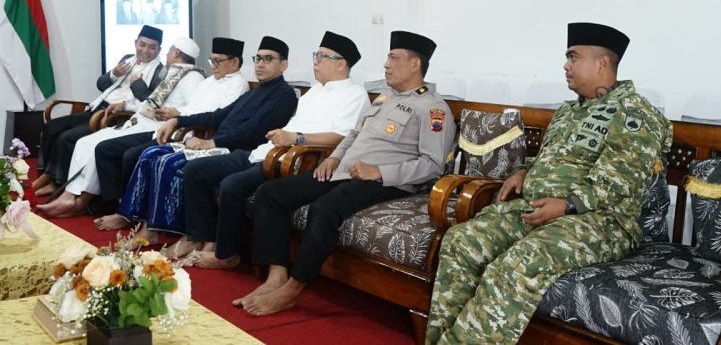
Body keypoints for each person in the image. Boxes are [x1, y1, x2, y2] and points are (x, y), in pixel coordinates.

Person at [425, 23, 673, 344]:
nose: (565, 65)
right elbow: (553, 159)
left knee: (520, 263)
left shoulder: (634, 111)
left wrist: (567, 205)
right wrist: (525, 171)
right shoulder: (568, 111)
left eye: (573, 57)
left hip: (599, 221)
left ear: (602, 63)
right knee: (462, 241)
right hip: (539, 209)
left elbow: (621, 179)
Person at [235, 31, 456, 316]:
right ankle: (276, 276)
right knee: (271, 193)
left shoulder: (434, 109)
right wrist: (335, 158)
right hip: (344, 171)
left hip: (388, 182)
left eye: (393, 58)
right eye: (388, 57)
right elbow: (354, 135)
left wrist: (379, 171)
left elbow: (432, 164)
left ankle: (292, 289)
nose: (386, 64)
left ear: (415, 65)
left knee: (325, 209)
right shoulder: (383, 99)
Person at [187, 31, 371, 268]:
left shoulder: (354, 95)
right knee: (196, 170)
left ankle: (227, 255)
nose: (315, 60)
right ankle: (203, 240)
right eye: (316, 55)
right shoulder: (314, 91)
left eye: (322, 56)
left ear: (341, 64)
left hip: (294, 160)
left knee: (231, 185)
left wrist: (297, 138)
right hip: (266, 152)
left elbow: (342, 137)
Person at [111, 36, 297, 254]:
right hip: (222, 144)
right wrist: (178, 121)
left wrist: (211, 142)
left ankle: (188, 235)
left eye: (268, 59)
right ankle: (149, 227)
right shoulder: (256, 92)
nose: (260, 64)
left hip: (240, 151)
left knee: (169, 163)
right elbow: (219, 116)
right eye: (258, 58)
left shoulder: (284, 95)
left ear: (283, 65)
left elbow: (253, 132)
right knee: (152, 154)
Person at [93, 37, 250, 230]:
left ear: (234, 62)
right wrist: (177, 118)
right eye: (212, 61)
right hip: (178, 129)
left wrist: (179, 118)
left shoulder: (238, 85)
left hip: (197, 137)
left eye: (218, 61)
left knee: (136, 155)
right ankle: (128, 212)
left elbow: (218, 117)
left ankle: (135, 217)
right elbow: (191, 108)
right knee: (129, 153)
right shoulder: (209, 82)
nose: (213, 66)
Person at [37, 37, 204, 217]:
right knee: (85, 143)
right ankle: (70, 194)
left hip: (155, 128)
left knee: (99, 147)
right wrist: (126, 106)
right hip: (139, 121)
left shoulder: (192, 77)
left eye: (169, 50)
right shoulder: (173, 73)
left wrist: (176, 112)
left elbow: (197, 108)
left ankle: (80, 201)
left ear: (177, 53)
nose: (167, 54)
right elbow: (151, 104)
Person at [32, 25, 164, 196]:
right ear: (135, 43)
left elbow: (150, 103)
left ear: (159, 49)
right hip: (97, 107)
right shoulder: (127, 59)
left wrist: (136, 84)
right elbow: (101, 85)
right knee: (52, 127)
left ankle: (57, 181)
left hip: (116, 116)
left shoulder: (160, 72)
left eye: (152, 47)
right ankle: (47, 174)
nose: (145, 51)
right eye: (142, 44)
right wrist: (114, 74)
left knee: (67, 138)